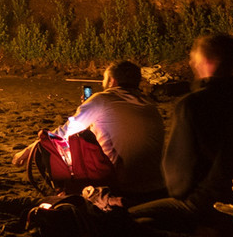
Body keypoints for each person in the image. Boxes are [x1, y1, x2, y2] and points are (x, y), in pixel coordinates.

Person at [129, 33, 233, 232]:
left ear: (208, 62)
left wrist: (182, 195)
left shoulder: (192, 105)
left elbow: (178, 178)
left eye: (195, 59)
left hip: (207, 204)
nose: (192, 63)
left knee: (125, 217)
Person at [14, 61, 166, 204]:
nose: (103, 83)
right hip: (156, 185)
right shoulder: (150, 104)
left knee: (47, 143)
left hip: (121, 185)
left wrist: (29, 150)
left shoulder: (102, 99)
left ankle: (62, 191)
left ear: (112, 81)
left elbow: (65, 132)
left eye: (104, 79)